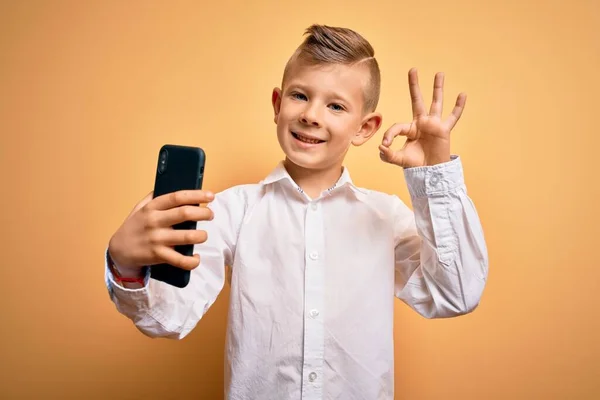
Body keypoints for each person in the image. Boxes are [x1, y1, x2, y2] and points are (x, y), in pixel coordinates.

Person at [105, 24, 488, 400]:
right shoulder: (231, 212)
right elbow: (168, 318)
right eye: (300, 96)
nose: (311, 115)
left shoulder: (385, 217)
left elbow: (455, 294)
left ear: (365, 127)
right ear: (277, 104)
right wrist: (125, 264)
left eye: (336, 105)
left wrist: (434, 173)